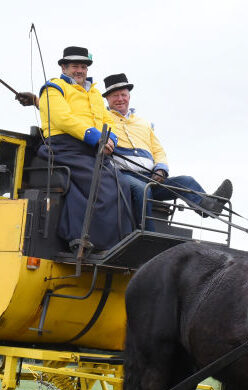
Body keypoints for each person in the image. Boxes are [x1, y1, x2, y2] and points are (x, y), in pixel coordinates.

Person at [102, 73, 232, 231]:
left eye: (123, 94)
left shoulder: (143, 123)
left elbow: (158, 150)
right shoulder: (104, 118)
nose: (120, 99)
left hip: (149, 177)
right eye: (115, 96)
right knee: (143, 189)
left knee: (186, 181)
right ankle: (147, 235)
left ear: (129, 96)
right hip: (123, 177)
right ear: (107, 99)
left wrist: (161, 169)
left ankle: (209, 207)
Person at [34, 47, 133, 251]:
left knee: (122, 182)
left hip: (91, 149)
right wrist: (95, 137)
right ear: (64, 67)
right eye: (75, 66)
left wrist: (110, 138)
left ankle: (120, 240)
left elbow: (107, 120)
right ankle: (81, 238)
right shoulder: (53, 88)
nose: (80, 70)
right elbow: (62, 119)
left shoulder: (95, 93)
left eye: (83, 66)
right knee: (100, 181)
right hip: (64, 147)